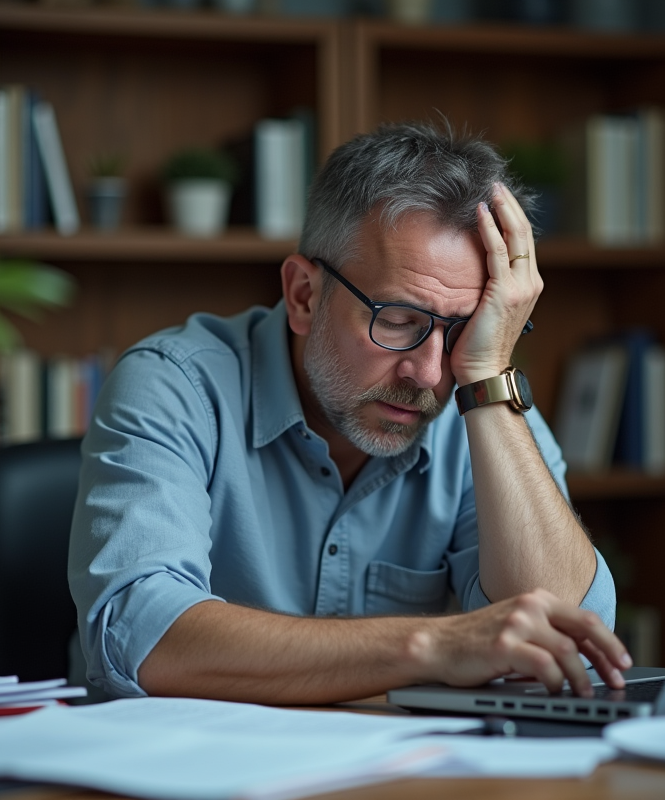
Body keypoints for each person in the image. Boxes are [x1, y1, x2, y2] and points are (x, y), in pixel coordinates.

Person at [69, 121, 629, 705]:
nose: (429, 374)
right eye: (398, 321)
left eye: (464, 331)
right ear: (304, 296)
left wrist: (488, 372)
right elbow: (141, 635)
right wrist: (431, 646)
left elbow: (568, 641)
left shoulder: (481, 391)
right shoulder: (175, 385)